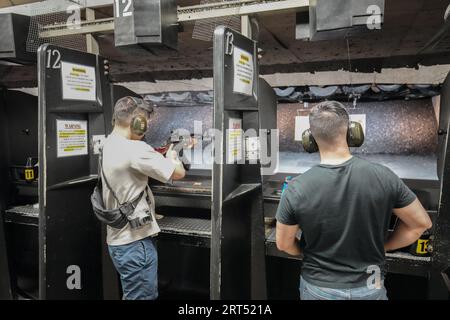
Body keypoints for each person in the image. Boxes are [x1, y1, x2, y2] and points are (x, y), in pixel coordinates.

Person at [275, 100, 432, 300]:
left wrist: (306, 252)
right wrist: (385, 245)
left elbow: (283, 244)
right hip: (370, 281)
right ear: (352, 133)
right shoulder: (384, 176)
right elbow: (421, 224)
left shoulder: (296, 188)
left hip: (318, 284)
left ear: (310, 139)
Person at [101, 96, 185, 300]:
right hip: (135, 243)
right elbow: (178, 173)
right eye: (145, 122)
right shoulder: (135, 149)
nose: (146, 128)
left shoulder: (108, 143)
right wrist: (173, 157)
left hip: (119, 239)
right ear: (137, 123)